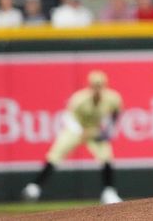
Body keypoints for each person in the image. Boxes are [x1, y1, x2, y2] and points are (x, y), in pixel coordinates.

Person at [21, 70, 123, 204]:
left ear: (104, 85)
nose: (97, 88)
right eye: (94, 85)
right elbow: (67, 116)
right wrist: (80, 131)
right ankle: (34, 187)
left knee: (106, 157)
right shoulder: (80, 98)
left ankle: (109, 192)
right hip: (75, 129)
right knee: (55, 154)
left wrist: (108, 131)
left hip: (93, 130)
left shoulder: (112, 98)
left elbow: (116, 114)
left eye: (100, 85)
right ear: (90, 86)